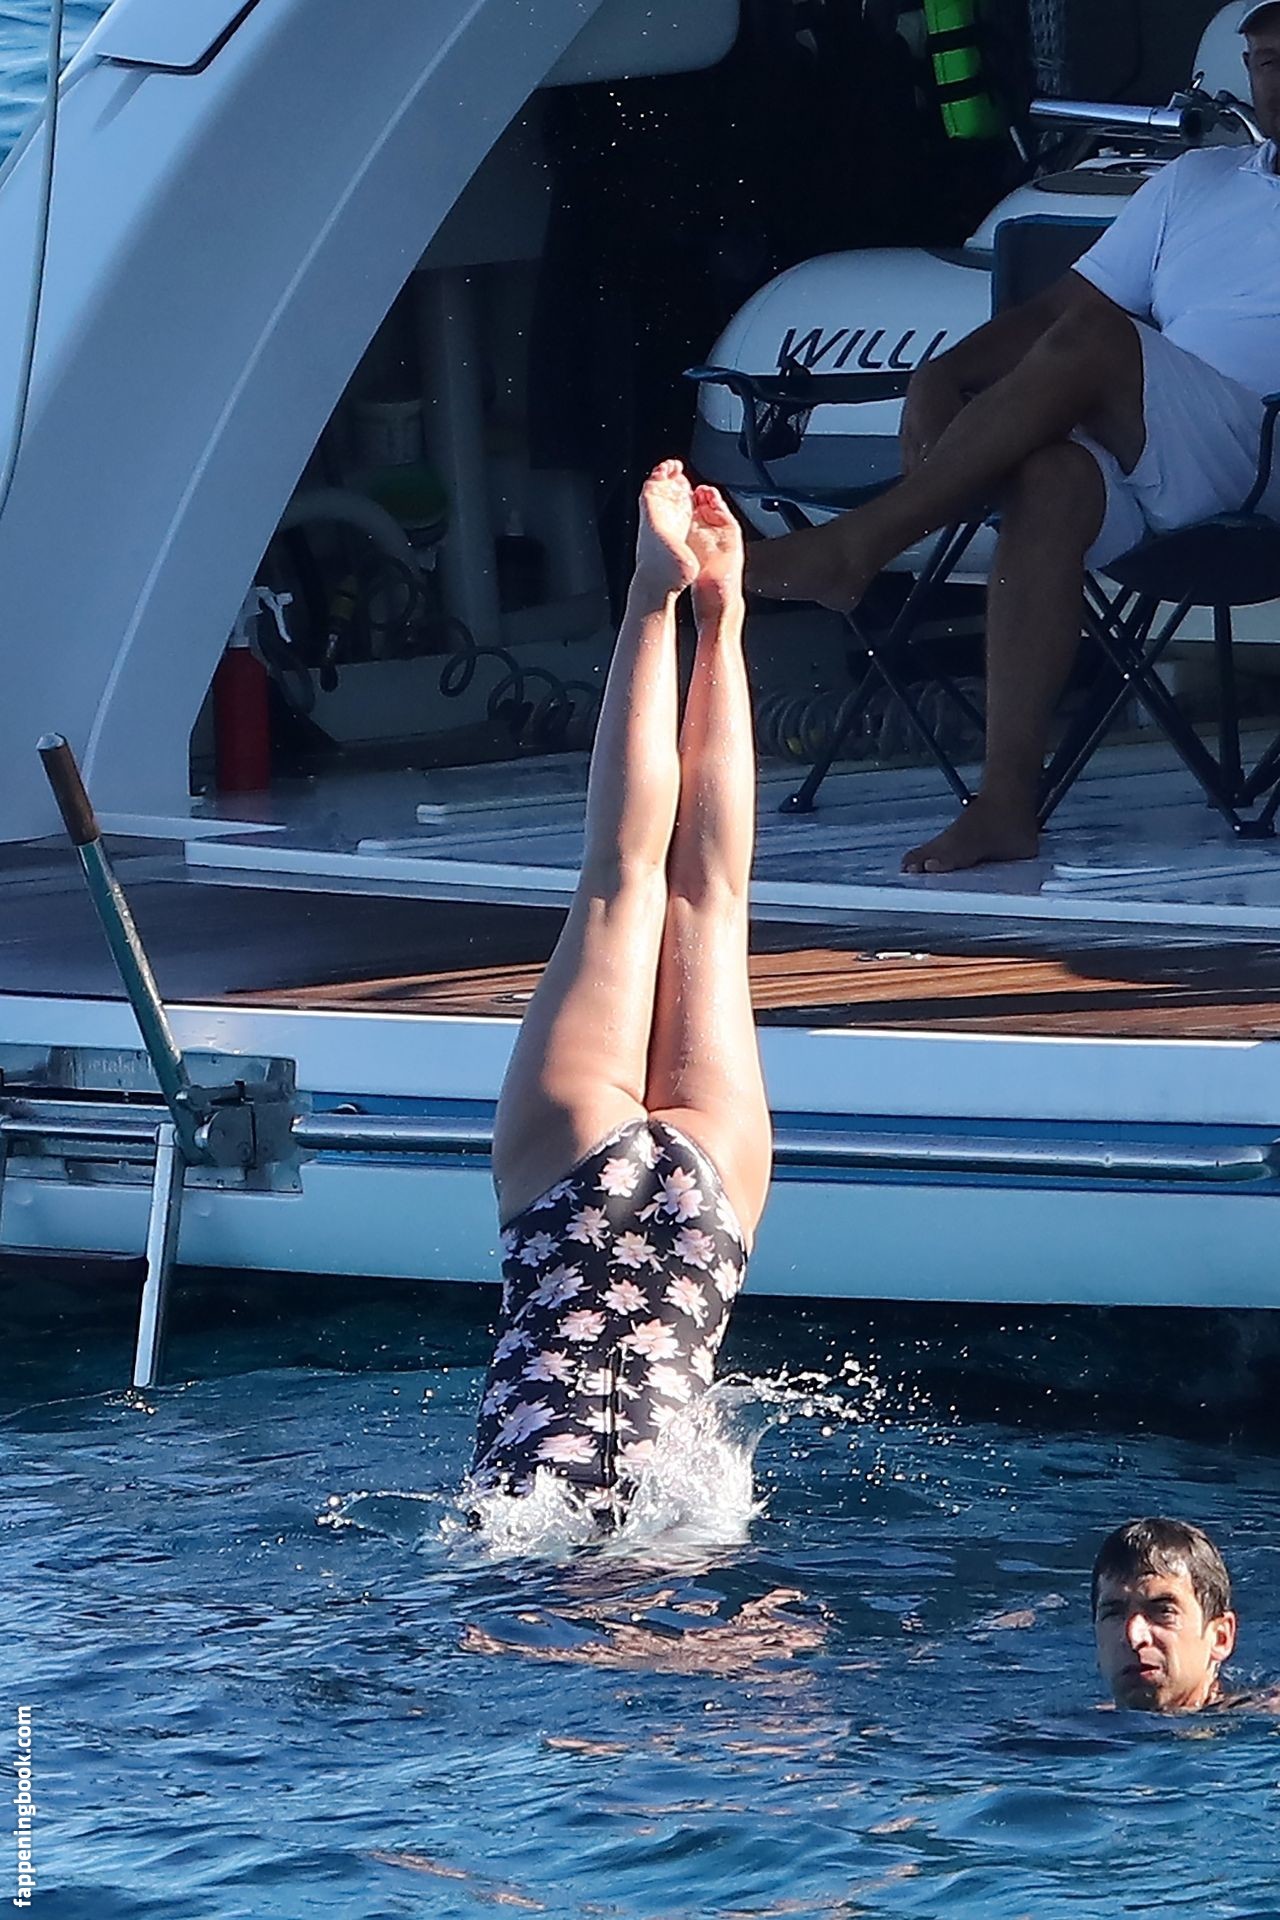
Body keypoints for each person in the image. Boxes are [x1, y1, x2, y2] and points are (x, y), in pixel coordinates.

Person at [748, 0, 1280, 875]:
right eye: (1266, 60)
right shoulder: (1196, 183)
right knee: (1049, 477)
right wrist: (941, 373)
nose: (1278, 78)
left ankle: (859, 544)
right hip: (1174, 450)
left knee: (1100, 340)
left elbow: (1086, 330)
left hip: (1268, 453)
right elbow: (1058, 310)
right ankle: (1004, 806)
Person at [469, 461, 773, 1522]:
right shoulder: (521, 1551)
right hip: (565, 1196)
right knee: (626, 879)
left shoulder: (670, 1551)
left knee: (707, 901)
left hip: (701, 1218)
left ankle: (716, 616)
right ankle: (661, 598)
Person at [1092, 1517, 1240, 1712]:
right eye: (1113, 1613)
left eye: (1164, 1611)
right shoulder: (1074, 1726)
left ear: (1221, 1638)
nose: (1134, 1637)